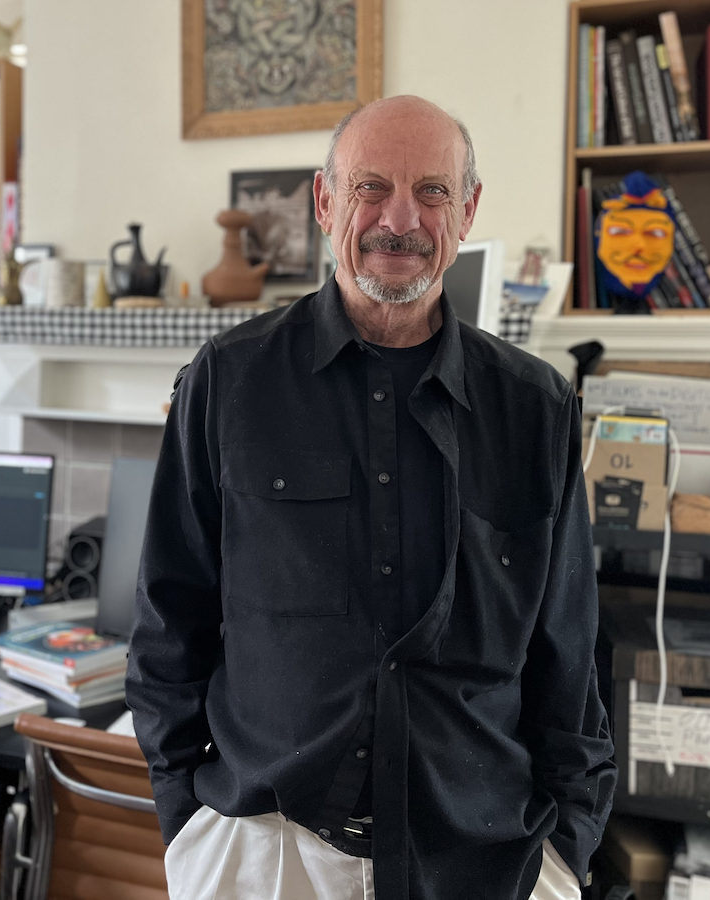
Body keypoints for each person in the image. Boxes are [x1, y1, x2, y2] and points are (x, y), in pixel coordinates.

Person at [126, 95, 616, 900]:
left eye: (431, 190)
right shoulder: (230, 382)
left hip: (486, 857)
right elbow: (167, 622)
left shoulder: (537, 409)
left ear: (467, 210)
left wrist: (568, 850)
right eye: (369, 188)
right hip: (262, 853)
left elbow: (571, 658)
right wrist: (188, 820)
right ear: (325, 202)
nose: (400, 218)